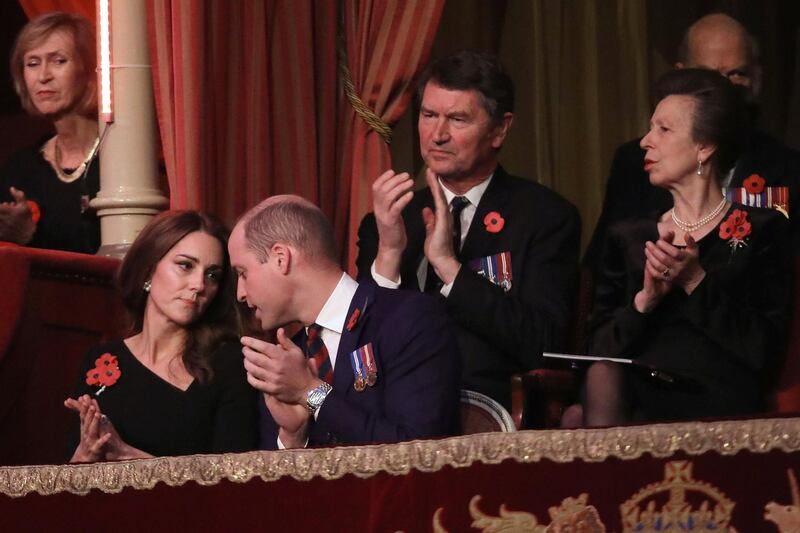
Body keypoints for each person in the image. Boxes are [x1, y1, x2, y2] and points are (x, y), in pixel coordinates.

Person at [356, 50, 580, 410]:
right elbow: (359, 348)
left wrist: (449, 267)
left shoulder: (544, 216)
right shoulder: (390, 218)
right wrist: (389, 254)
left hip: (488, 406)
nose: (438, 134)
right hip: (395, 409)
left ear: (500, 129)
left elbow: (544, 341)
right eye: (429, 116)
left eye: (457, 119)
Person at [584, 69, 792, 425]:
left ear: (704, 145)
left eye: (663, 130)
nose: (645, 141)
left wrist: (695, 281)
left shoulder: (761, 230)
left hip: (721, 403)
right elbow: (597, 353)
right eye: (651, 128)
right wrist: (644, 302)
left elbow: (764, 351)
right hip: (637, 402)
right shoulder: (629, 236)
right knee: (605, 377)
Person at [228, 195, 460, 449]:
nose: (240, 292)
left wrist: (310, 393)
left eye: (243, 273)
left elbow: (420, 452)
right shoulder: (285, 360)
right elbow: (271, 486)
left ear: (281, 258)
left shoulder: (409, 319)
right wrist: (294, 437)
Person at [584, 13, 800, 270]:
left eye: (736, 73)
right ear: (681, 77)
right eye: (708, 75)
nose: (724, 88)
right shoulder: (635, 161)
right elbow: (603, 265)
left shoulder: (787, 169)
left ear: (756, 80)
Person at [65, 210, 258, 461]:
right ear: (147, 270)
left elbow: (234, 483)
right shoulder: (101, 359)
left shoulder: (230, 364)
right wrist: (84, 455)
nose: (199, 285)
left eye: (212, 275)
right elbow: (69, 477)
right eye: (185, 266)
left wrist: (125, 454)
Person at [0, 12, 101, 253]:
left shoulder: (120, 157)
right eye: (33, 64)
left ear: (87, 70)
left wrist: (33, 237)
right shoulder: (21, 169)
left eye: (58, 61)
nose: (43, 76)